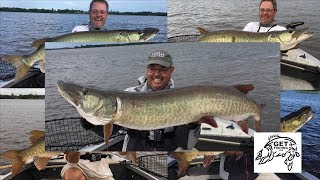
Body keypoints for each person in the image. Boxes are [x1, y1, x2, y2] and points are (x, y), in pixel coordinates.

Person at [122, 50, 179, 151]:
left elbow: (185, 141)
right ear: (147, 70)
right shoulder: (129, 94)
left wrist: (192, 125)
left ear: (171, 70)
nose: (157, 74)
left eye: (163, 69)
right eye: (152, 69)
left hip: (169, 152)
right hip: (135, 149)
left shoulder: (180, 98)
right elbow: (106, 128)